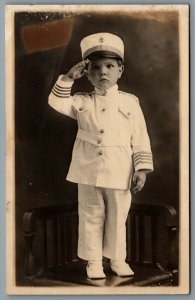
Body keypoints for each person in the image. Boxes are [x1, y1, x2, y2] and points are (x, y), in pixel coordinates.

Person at [48, 32, 154, 279]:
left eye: (109, 66)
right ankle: (94, 262)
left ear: (120, 70)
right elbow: (56, 102)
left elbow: (140, 136)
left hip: (120, 168)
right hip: (88, 169)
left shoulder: (130, 103)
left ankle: (117, 259)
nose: (103, 72)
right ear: (87, 72)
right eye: (95, 68)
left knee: (118, 215)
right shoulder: (81, 101)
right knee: (90, 214)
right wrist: (68, 78)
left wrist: (141, 169)